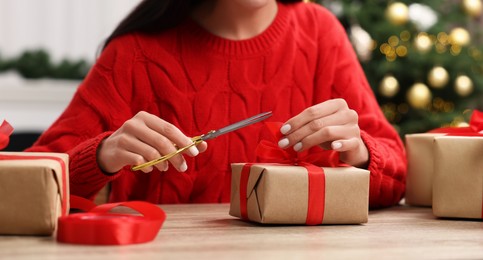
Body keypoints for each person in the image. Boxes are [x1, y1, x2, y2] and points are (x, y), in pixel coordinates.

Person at [27, 0, 406, 208]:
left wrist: (357, 152)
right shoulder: (134, 54)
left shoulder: (321, 33)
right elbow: (27, 186)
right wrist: (102, 154)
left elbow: (398, 176)